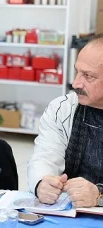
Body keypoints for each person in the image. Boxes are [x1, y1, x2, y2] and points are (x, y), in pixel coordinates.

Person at [28, 35, 103, 208]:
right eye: (77, 71)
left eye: (88, 76)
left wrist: (98, 196)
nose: (76, 83)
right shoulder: (62, 109)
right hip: (71, 210)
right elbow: (44, 157)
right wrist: (42, 183)